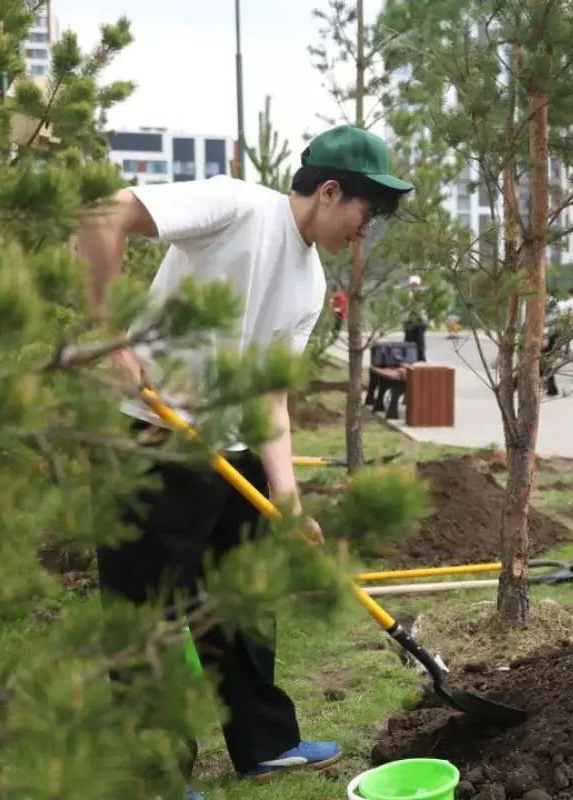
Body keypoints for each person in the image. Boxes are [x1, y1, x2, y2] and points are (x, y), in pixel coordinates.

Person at [75, 124, 414, 800]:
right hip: (155, 441)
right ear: (329, 190)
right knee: (149, 617)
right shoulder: (235, 205)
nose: (364, 232)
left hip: (232, 451)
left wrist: (285, 495)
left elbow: (269, 394)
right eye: (365, 213)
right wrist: (109, 329)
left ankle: (265, 744)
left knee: (247, 608)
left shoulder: (311, 281)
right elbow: (104, 214)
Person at [403, 275, 427, 362]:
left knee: (420, 344)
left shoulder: (422, 295)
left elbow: (423, 309)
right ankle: (408, 360)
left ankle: (421, 361)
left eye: (416, 284)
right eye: (412, 284)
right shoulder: (407, 295)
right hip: (408, 322)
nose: (414, 286)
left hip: (420, 322)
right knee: (408, 343)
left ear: (419, 285)